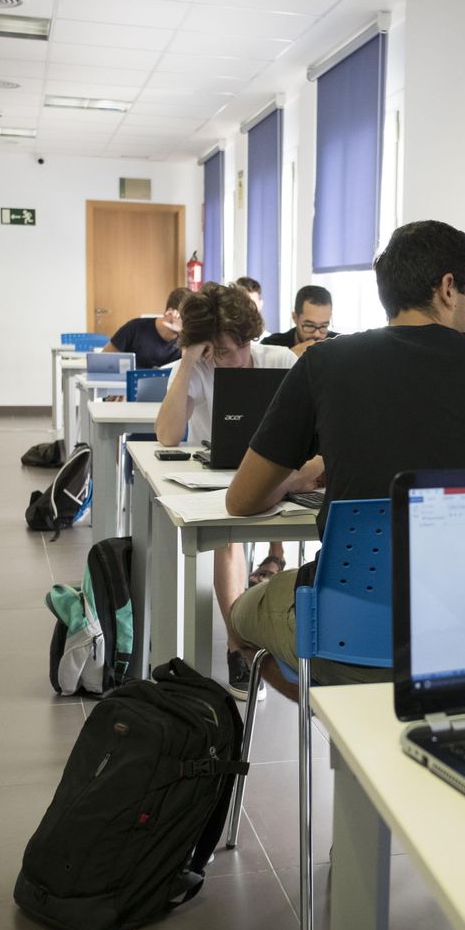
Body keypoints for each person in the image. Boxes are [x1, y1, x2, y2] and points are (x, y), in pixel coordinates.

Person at [225, 220, 465, 693]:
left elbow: (241, 501)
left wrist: (299, 478)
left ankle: (343, 719)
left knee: (239, 614)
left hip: (348, 629)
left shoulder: (324, 362)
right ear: (449, 288)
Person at [156, 283, 303, 699]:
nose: (223, 360)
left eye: (228, 349)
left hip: (284, 477)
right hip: (223, 482)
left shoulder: (280, 361)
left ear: (247, 336)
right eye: (212, 351)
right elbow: (167, 435)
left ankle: (291, 633)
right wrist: (188, 359)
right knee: (229, 538)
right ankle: (238, 646)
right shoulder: (200, 370)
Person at [103, 286, 188, 369]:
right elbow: (104, 359)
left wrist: (184, 334)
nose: (188, 323)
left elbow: (189, 370)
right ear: (170, 313)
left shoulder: (186, 339)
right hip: (130, 381)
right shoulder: (134, 328)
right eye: (185, 318)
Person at [260, 285, 338, 351]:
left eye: (324, 326)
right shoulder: (271, 346)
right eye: (310, 325)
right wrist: (290, 356)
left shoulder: (340, 345)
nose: (317, 334)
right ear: (295, 318)